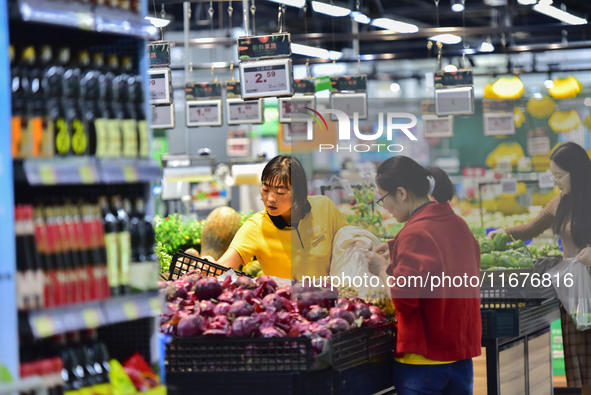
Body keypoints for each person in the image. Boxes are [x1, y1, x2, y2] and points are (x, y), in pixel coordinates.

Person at [365, 156, 482, 395]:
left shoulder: (415, 233)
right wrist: (397, 248)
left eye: (383, 198)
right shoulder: (458, 223)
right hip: (460, 357)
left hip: (424, 363)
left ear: (401, 193)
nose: (384, 206)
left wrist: (380, 270)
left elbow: (403, 299)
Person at [489, 142, 591, 389]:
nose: (555, 181)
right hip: (575, 292)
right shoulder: (560, 202)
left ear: (576, 172)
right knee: (581, 360)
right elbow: (532, 228)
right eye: (552, 175)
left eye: (559, 175)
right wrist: (503, 232)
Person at [211, 154, 348, 279]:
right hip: (283, 304)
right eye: (265, 190)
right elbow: (222, 266)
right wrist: (210, 266)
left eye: (280, 192)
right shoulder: (255, 227)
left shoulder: (324, 207)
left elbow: (350, 246)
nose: (270, 199)